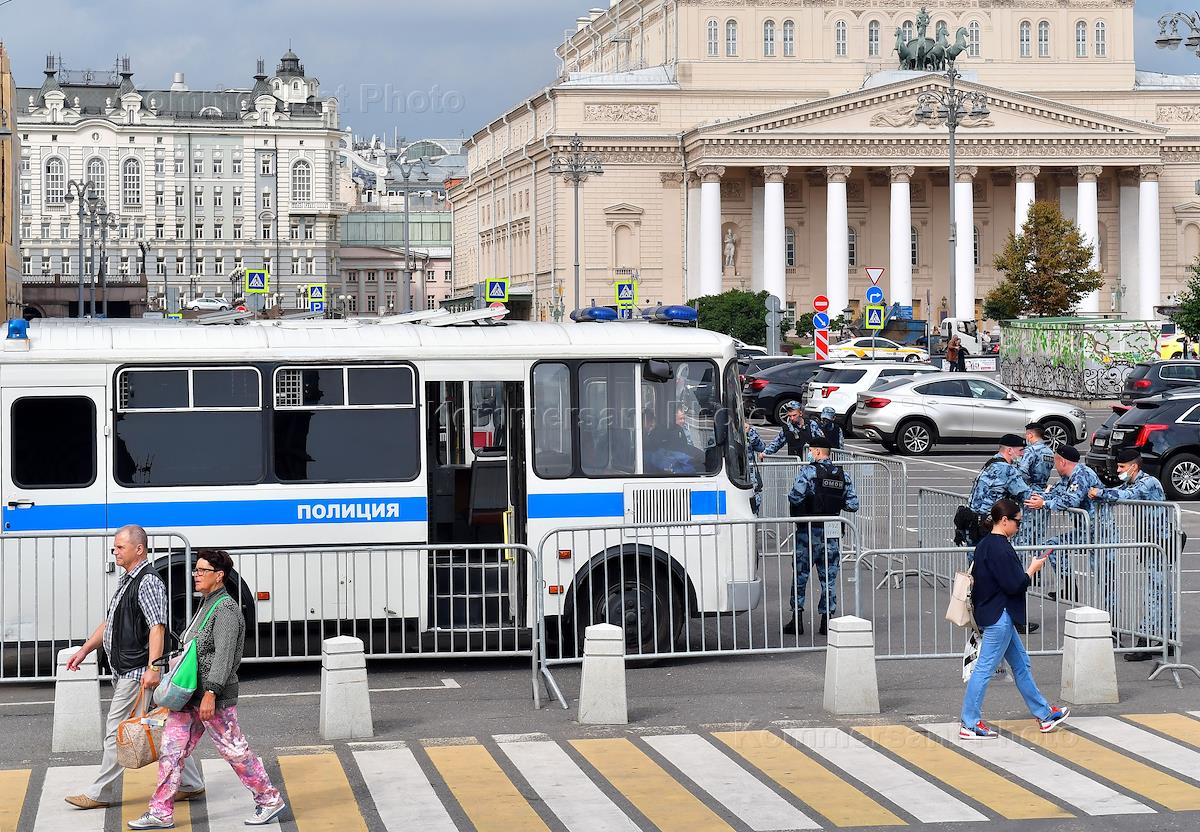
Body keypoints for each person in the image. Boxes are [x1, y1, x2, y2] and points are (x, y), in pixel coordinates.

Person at [128, 550, 285, 829]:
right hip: (189, 696)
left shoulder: (226, 610)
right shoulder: (207, 603)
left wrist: (211, 693)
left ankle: (269, 799)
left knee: (234, 751)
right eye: (196, 570)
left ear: (219, 575)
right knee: (171, 750)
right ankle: (160, 812)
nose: (196, 575)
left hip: (213, 698)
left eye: (202, 571)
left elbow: (224, 657)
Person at [65, 525, 204, 812]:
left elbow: (157, 627)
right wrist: (85, 649)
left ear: (139, 549)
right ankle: (191, 783)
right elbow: (110, 623)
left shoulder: (147, 581)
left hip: (137, 670)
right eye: (115, 547)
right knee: (161, 728)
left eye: (120, 547)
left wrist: (153, 668)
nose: (115, 551)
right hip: (129, 669)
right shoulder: (128, 580)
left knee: (117, 730)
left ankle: (100, 791)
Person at [959, 499, 1070, 739]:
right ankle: (969, 723)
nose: (1019, 526)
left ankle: (1044, 714)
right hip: (1000, 616)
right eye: (1017, 522)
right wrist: (1032, 569)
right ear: (1004, 520)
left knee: (1021, 665)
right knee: (985, 668)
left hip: (994, 613)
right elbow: (1015, 584)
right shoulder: (1001, 548)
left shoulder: (985, 544)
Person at [1088, 447, 1171, 662]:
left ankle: (1146, 640)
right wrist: (1098, 494)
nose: (1118, 470)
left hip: (1163, 542)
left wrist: (1100, 493)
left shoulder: (1148, 482)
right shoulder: (1132, 482)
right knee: (1160, 591)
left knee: (1155, 592)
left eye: (1121, 466)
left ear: (1134, 467)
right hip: (1153, 542)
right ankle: (1168, 639)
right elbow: (1117, 492)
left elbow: (1124, 496)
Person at [783, 438, 860, 636]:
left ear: (817, 452)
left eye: (811, 450)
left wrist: (811, 499)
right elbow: (853, 505)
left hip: (809, 531)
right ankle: (827, 621)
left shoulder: (808, 472)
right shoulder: (843, 475)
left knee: (800, 576)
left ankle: (797, 620)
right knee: (829, 578)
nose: (810, 453)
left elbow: (795, 497)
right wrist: (834, 502)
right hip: (831, 532)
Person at [1025, 445, 1103, 604]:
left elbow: (1070, 500)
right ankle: (1069, 588)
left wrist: (1043, 504)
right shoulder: (1068, 478)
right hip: (1086, 530)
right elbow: (1054, 493)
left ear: (1062, 461)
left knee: (1105, 578)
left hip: (1101, 531)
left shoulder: (1082, 474)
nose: (1054, 466)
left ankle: (1111, 615)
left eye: (1055, 461)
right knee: (1052, 546)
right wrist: (1035, 497)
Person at [963, 435, 1031, 548]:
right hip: (988, 524)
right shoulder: (1006, 469)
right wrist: (1047, 496)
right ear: (1010, 450)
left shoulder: (992, 462)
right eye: (1020, 450)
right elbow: (1026, 495)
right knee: (993, 556)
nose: (1023, 454)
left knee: (976, 557)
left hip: (973, 522)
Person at [745, 422, 767, 515]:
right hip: (734, 473)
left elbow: (761, 447)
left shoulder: (750, 432)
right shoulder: (724, 429)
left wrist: (749, 433)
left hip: (751, 475)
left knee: (754, 502)